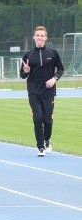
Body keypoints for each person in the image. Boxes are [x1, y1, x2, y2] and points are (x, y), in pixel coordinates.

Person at [20, 26, 64, 156]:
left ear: (46, 38)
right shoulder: (28, 55)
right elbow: (22, 75)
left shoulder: (52, 53)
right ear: (34, 37)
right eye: (37, 35)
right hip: (33, 92)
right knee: (37, 118)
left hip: (48, 92)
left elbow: (61, 69)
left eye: (42, 35)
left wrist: (54, 79)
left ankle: (46, 140)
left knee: (47, 119)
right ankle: (40, 147)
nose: (39, 38)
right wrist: (25, 71)